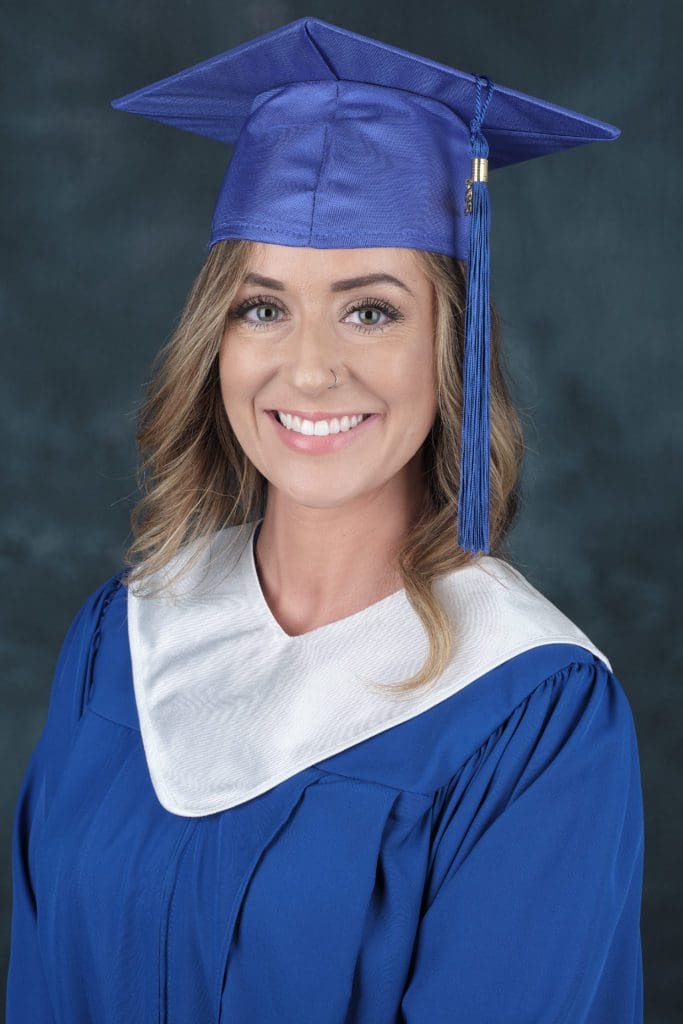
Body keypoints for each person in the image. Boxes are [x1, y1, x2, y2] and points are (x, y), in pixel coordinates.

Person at [6, 16, 644, 1023]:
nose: (306, 368)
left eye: (370, 309)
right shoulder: (121, 639)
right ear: (214, 336)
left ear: (451, 346)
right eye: (262, 306)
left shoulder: (532, 713)